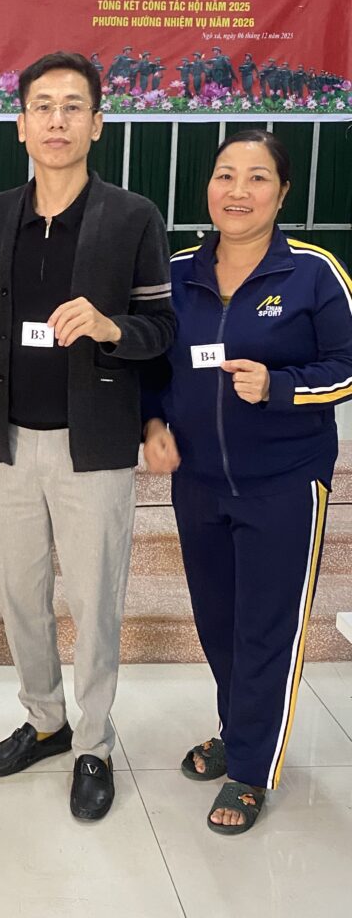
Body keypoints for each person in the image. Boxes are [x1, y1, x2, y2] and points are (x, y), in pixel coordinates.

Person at [0, 51, 175, 821]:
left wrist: (112, 327)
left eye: (72, 106)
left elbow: (162, 329)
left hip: (96, 448)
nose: (57, 120)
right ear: (20, 125)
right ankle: (45, 720)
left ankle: (93, 742)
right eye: (42, 107)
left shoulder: (132, 216)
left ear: (97, 123)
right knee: (21, 596)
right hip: (10, 445)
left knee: (94, 601)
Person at [142, 130, 352, 834]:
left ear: (283, 192)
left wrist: (281, 387)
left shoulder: (314, 273)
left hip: (285, 482)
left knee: (268, 628)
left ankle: (252, 768)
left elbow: (347, 366)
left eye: (257, 177)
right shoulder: (177, 273)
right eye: (225, 175)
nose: (238, 191)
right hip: (198, 482)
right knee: (219, 623)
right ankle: (238, 730)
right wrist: (152, 424)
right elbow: (154, 369)